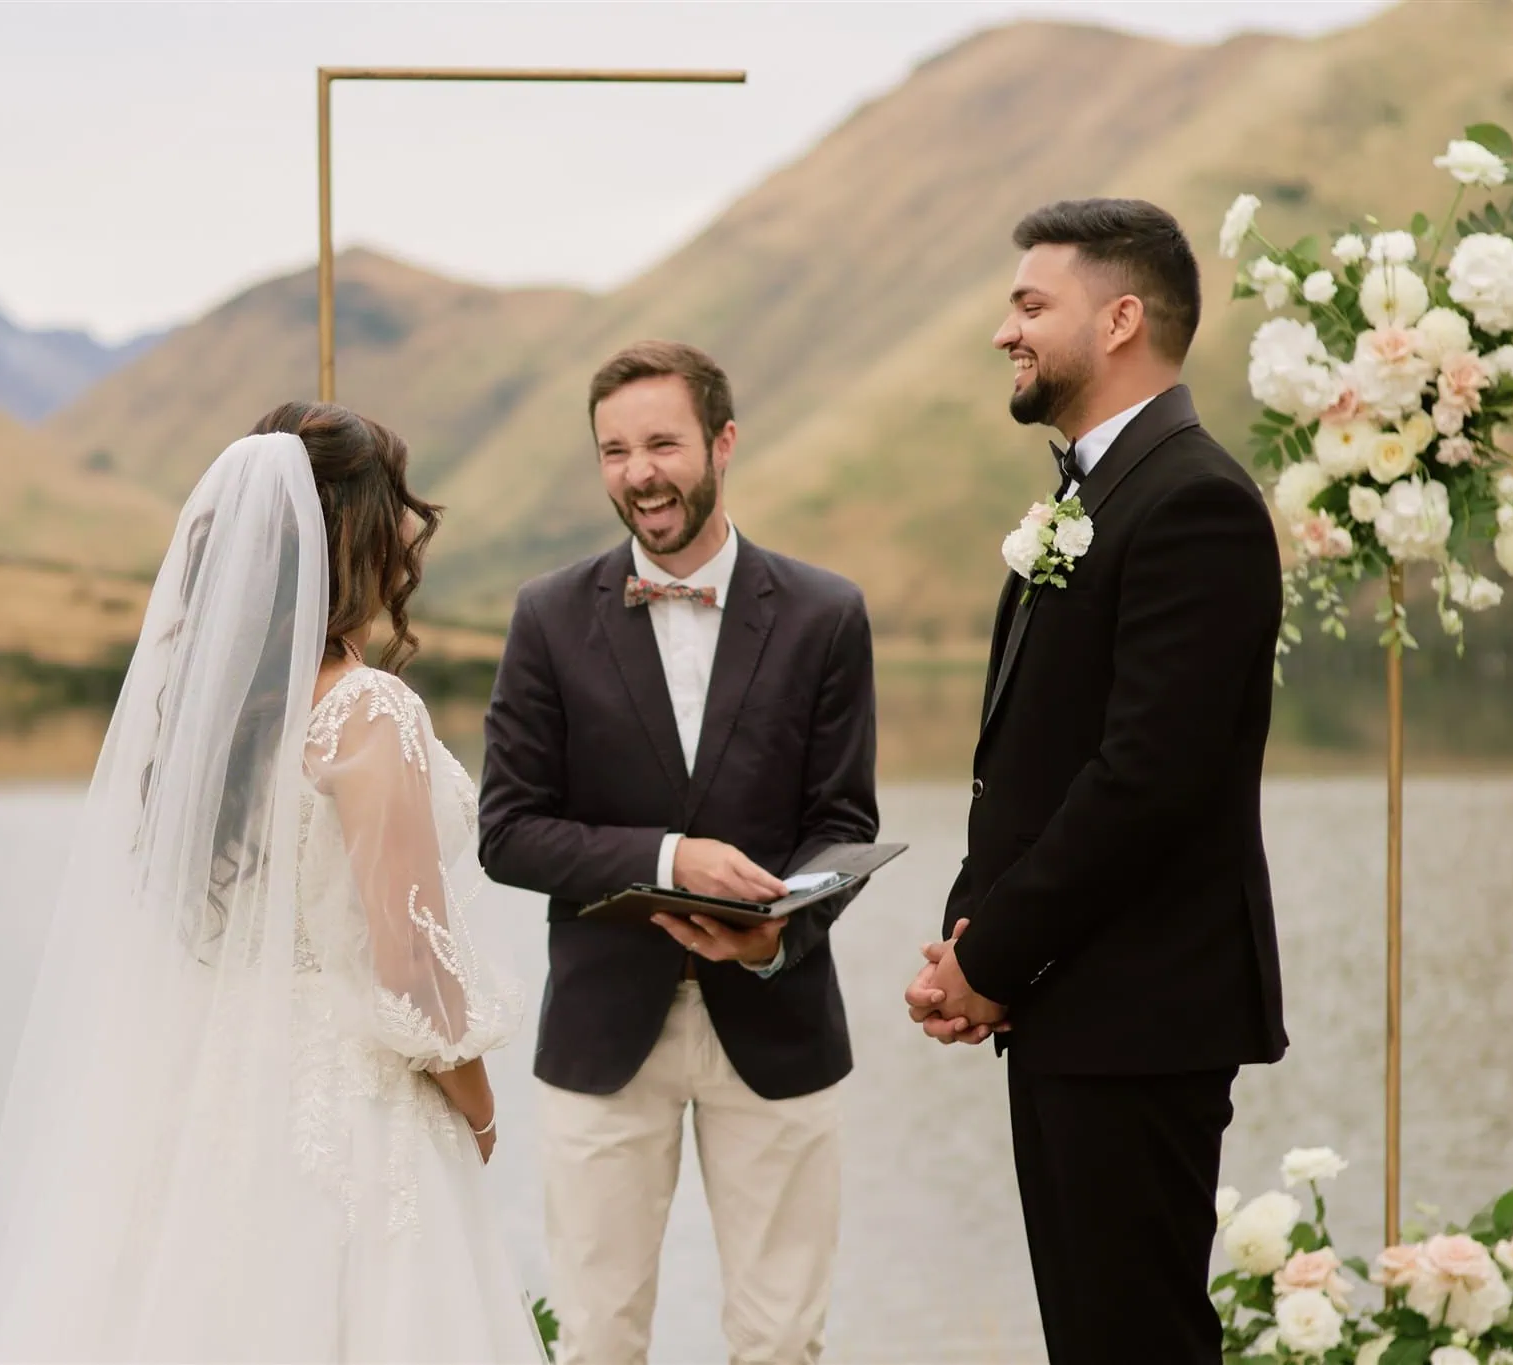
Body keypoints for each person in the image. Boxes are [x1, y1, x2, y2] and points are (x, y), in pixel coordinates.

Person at [0, 403, 543, 1363]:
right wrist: (478, 1100)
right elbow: (407, 962)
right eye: (392, 513)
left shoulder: (202, 718)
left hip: (210, 1094)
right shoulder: (366, 710)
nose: (403, 539)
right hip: (349, 1113)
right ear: (354, 533)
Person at [905, 199, 1288, 1364]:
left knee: (1136, 1340)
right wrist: (972, 935)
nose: (1001, 332)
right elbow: (1031, 752)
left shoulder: (1193, 503)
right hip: (1070, 1000)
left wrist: (990, 957)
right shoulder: (1092, 495)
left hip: (1141, 1012)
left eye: (1030, 305)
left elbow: (1145, 781)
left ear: (1119, 319)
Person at [479, 340, 878, 1365]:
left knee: (780, 1340)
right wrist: (668, 859)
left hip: (778, 1024)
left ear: (722, 443)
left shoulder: (825, 614)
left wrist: (771, 939)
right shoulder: (546, 617)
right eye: (614, 450)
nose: (638, 473)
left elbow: (843, 821)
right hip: (603, 1036)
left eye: (660, 442)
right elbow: (508, 830)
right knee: (599, 1338)